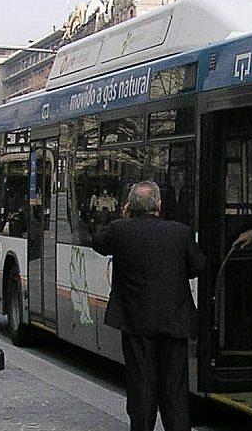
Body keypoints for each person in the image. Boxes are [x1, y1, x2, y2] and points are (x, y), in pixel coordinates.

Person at [91, 181, 205, 431]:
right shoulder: (180, 232)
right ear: (159, 205)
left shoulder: (119, 230)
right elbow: (198, 267)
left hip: (135, 322)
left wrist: (124, 218)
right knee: (174, 386)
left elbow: (98, 242)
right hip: (173, 322)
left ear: (130, 206)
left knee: (141, 383)